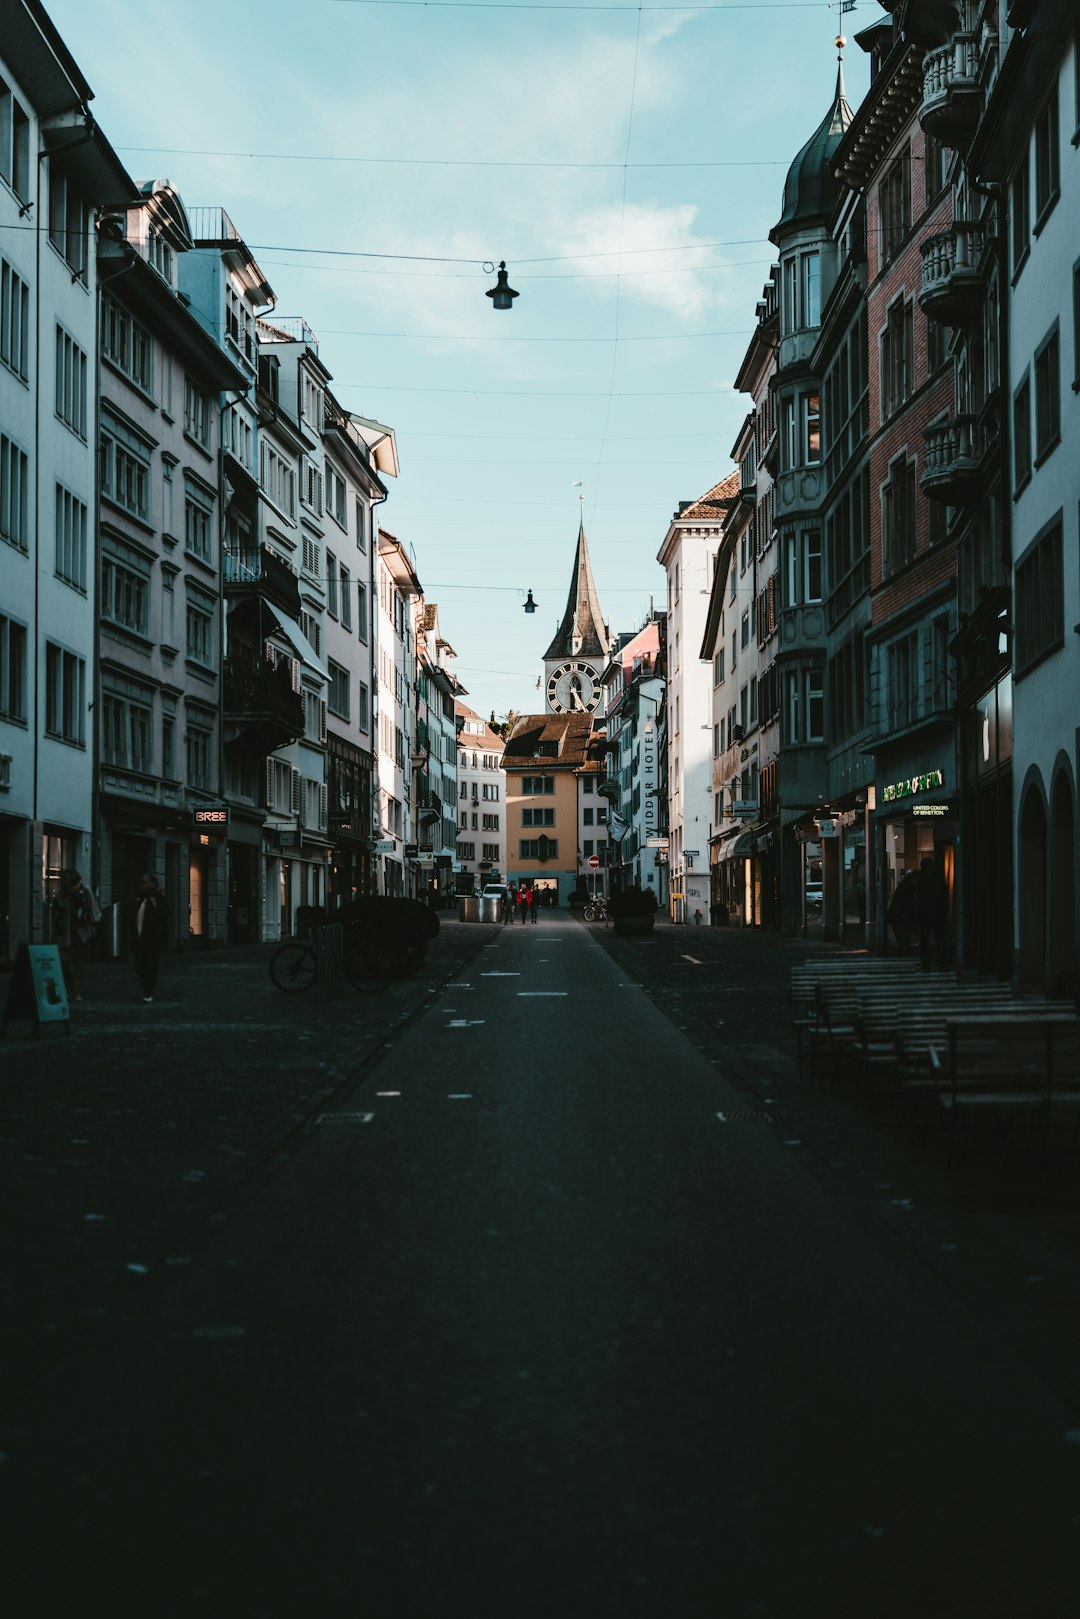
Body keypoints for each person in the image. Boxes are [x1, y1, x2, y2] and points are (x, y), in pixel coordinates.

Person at [51, 869, 100, 999]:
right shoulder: (63, 893)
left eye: (65, 879)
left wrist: (93, 926)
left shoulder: (85, 891)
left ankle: (77, 989)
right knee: (63, 961)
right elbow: (57, 910)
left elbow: (93, 911)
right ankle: (70, 987)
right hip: (65, 932)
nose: (63, 882)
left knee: (79, 962)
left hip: (80, 932)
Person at [132, 873, 167, 1003]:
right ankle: (146, 987)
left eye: (144, 882)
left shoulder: (158, 898)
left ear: (152, 884)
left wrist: (156, 904)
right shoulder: (138, 898)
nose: (141, 884)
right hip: (138, 938)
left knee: (150, 966)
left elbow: (166, 914)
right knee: (139, 966)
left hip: (153, 939)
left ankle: (149, 991)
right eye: (141, 882)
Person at [915, 856, 948, 972]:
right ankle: (926, 965)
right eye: (930, 865)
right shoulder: (921, 879)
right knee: (925, 941)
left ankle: (941, 964)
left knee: (940, 940)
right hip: (926, 913)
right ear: (926, 867)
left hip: (936, 912)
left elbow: (944, 894)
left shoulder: (935, 878)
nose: (933, 866)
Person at [886, 869, 919, 956]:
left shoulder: (905, 887)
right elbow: (905, 905)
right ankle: (903, 957)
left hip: (900, 919)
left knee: (903, 943)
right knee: (903, 942)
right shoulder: (906, 889)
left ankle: (903, 956)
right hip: (901, 920)